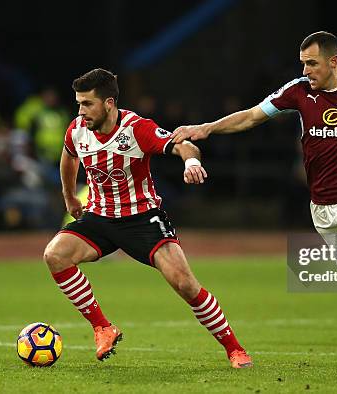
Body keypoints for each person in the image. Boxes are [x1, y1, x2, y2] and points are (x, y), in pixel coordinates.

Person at [172, 31, 337, 367]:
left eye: (312, 64)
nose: (306, 70)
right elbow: (251, 116)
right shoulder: (298, 91)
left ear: (333, 62)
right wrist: (208, 127)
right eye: (303, 63)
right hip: (322, 206)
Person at [42, 68, 252, 368]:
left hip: (143, 219)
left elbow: (183, 143)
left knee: (185, 284)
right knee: (55, 255)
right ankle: (102, 327)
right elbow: (69, 156)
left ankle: (235, 349)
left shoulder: (137, 128)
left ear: (109, 103)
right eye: (78, 103)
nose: (81, 111)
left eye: (87, 103)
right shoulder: (77, 129)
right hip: (100, 218)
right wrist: (70, 196)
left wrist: (191, 161)